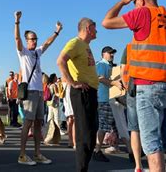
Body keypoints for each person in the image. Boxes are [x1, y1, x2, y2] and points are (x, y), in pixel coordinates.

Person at [102, 0, 166, 172]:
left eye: (134, 2)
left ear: (140, 0)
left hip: (148, 86)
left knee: (152, 144)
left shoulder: (142, 13)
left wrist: (121, 3)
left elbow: (106, 22)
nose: (133, 5)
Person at [14, 10, 62, 166]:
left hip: (40, 92)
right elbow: (16, 38)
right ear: (27, 41)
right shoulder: (24, 52)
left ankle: (37, 153)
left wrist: (56, 32)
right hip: (30, 92)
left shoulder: (37, 53)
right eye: (32, 39)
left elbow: (47, 43)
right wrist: (17, 22)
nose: (34, 41)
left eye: (35, 39)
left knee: (38, 123)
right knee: (27, 122)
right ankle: (22, 155)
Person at [57, 17, 99, 172]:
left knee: (91, 133)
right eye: (94, 28)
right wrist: (72, 82)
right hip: (81, 92)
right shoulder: (75, 43)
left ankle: (84, 167)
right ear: (88, 28)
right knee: (84, 136)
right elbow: (60, 60)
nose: (96, 31)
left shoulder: (86, 46)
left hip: (91, 92)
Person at [93, 46, 122, 162]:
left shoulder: (110, 66)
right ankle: (97, 150)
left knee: (114, 125)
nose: (112, 55)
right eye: (110, 53)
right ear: (103, 54)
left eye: (113, 53)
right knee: (104, 125)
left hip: (109, 99)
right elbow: (99, 78)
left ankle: (114, 146)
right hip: (103, 99)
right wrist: (114, 83)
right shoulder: (101, 65)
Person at [121, 44, 144, 172]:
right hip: (150, 86)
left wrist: (126, 86)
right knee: (153, 126)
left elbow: (122, 69)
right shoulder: (155, 43)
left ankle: (138, 165)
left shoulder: (129, 47)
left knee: (134, 128)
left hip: (132, 88)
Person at [44, 73, 61, 146]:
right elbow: (57, 93)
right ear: (54, 78)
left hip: (49, 103)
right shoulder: (54, 85)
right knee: (56, 119)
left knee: (49, 118)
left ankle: (48, 135)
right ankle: (56, 135)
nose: (57, 78)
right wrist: (61, 94)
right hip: (55, 103)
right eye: (56, 77)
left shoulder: (48, 85)